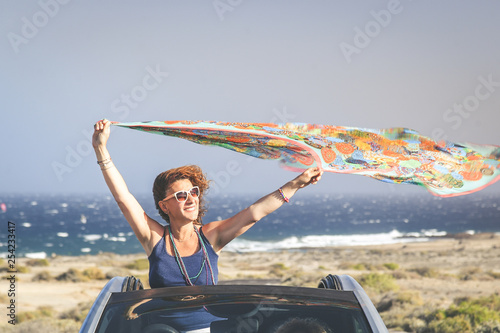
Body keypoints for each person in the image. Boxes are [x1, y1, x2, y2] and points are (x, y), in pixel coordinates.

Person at [92, 119, 323, 289]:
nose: (191, 198)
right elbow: (124, 199)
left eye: (193, 192)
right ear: (164, 206)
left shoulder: (210, 237)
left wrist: (296, 184)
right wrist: (100, 148)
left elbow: (254, 213)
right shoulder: (154, 239)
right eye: (181, 196)